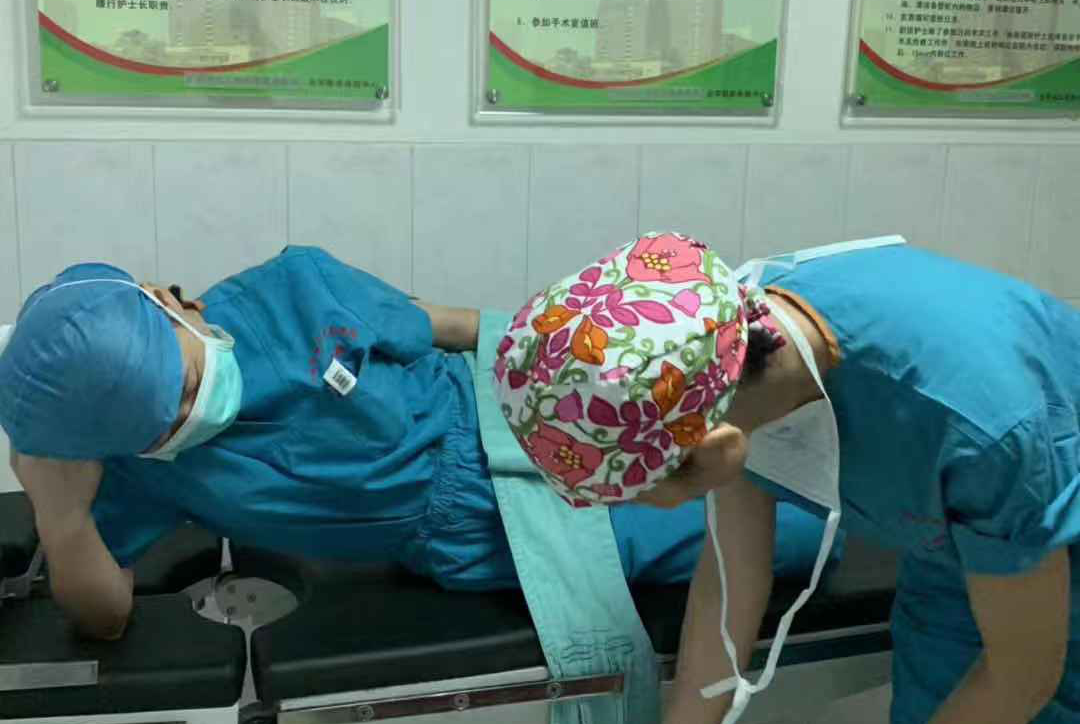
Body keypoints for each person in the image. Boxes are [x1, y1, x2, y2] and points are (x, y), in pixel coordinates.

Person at [507, 236, 1080, 724]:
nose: (637, 509)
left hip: (1039, 531)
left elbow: (1023, 672)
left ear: (714, 451)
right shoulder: (727, 357)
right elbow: (730, 576)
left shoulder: (976, 419)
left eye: (639, 495)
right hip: (961, 556)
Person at [0, 247, 829, 642]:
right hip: (480, 532)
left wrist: (570, 373)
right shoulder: (145, 469)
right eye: (165, 423)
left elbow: (446, 326)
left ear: (168, 301)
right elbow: (104, 616)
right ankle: (859, 518)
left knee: (769, 425)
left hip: (526, 407)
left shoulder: (292, 290)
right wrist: (58, 512)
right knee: (781, 540)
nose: (192, 414)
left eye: (186, 381)